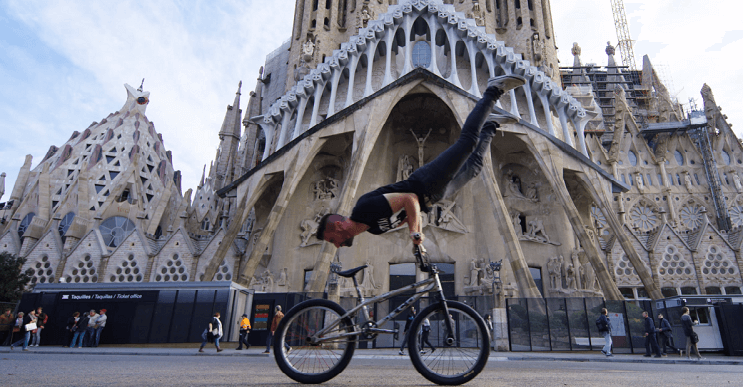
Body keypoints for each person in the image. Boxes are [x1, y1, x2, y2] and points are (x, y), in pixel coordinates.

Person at [315, 75, 526, 249]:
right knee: (474, 167)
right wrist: (417, 241)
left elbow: (408, 199)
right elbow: (407, 215)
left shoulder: (364, 208)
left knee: (468, 142)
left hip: (424, 183)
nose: (337, 245)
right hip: (434, 196)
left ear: (338, 227)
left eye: (333, 239)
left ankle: (493, 90)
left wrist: (415, 232)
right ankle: (489, 126)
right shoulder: (374, 228)